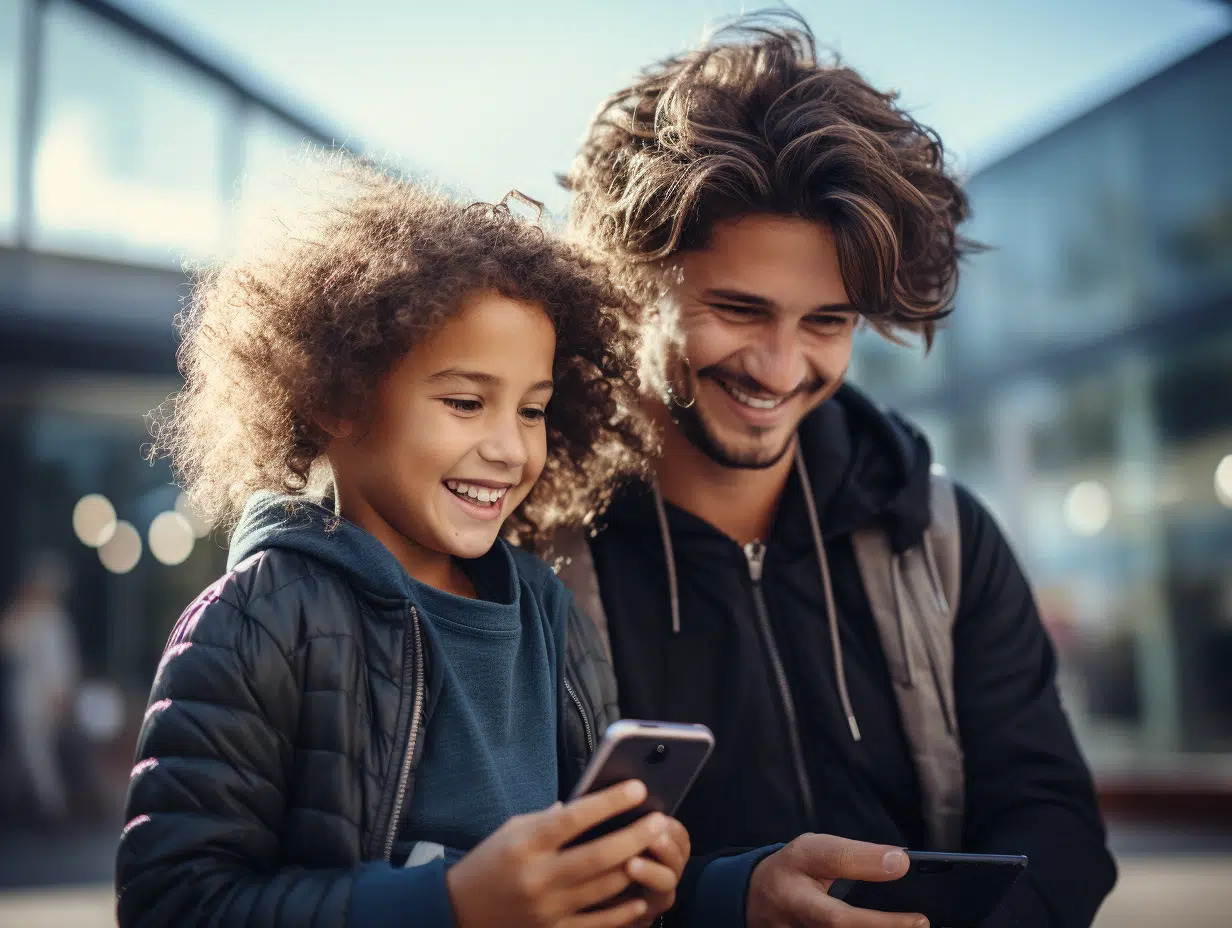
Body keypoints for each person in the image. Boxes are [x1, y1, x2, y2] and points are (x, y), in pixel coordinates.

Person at [557, 13, 1117, 927]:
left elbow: (1054, 821)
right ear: (632, 284)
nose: (781, 368)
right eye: (740, 310)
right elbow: (493, 860)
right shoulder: (535, 557)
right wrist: (725, 904)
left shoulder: (940, 536)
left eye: (826, 322)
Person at [115, 157, 690, 928]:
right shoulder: (254, 624)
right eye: (464, 401)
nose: (511, 449)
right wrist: (448, 906)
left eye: (532, 410)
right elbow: (172, 905)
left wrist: (635, 892)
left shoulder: (551, 616)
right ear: (335, 399)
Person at [0, 552, 80, 825]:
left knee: (36, 756)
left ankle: (52, 808)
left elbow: (62, 663)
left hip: (43, 699)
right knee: (25, 754)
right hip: (24, 697)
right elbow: (8, 643)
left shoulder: (54, 620)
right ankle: (40, 805)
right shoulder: (26, 617)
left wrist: (62, 696)